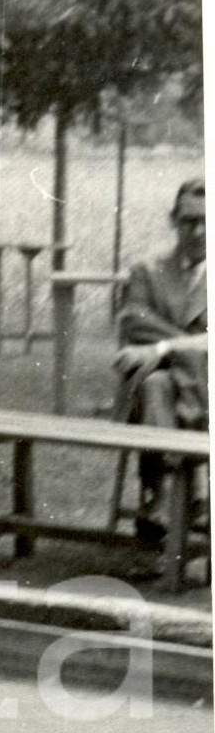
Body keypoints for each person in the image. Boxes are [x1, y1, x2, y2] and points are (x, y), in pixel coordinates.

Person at [114, 178, 208, 540]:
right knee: (154, 384)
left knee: (159, 381)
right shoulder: (147, 270)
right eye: (188, 221)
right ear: (173, 220)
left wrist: (164, 348)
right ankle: (176, 494)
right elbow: (133, 322)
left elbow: (148, 337)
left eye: (206, 220)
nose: (198, 231)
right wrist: (195, 344)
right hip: (177, 397)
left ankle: (162, 494)